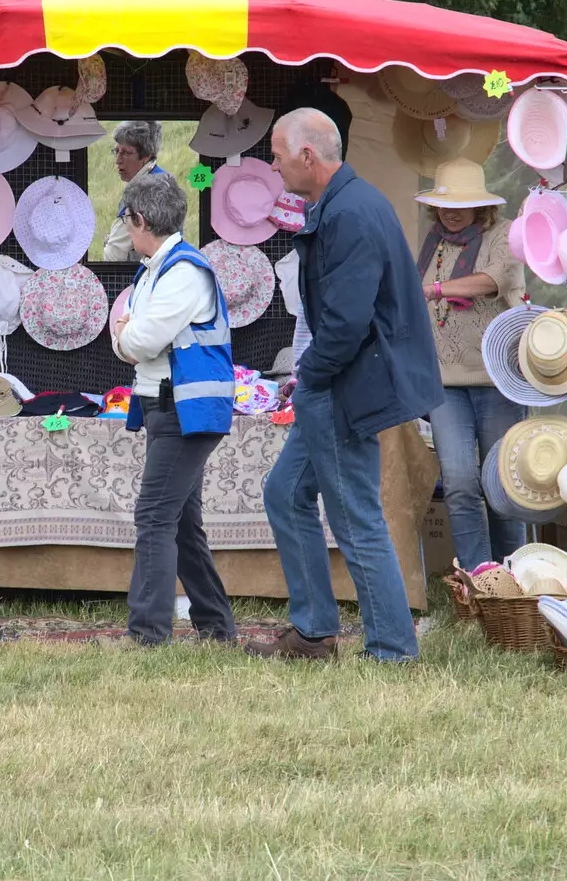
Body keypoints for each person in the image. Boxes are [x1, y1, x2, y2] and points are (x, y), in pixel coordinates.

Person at [247, 108, 443, 662]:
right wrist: (307, 375)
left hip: (341, 387)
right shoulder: (347, 204)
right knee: (284, 494)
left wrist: (309, 373)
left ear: (308, 156)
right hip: (333, 381)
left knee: (356, 518)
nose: (274, 163)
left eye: (279, 154)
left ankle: (391, 649)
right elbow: (342, 317)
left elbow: (347, 322)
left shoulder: (350, 213)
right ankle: (313, 634)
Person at [109, 169, 237, 645]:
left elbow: (138, 338)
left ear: (140, 220)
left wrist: (124, 333)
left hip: (184, 412)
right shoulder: (162, 270)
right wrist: (129, 335)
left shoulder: (182, 273)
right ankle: (217, 628)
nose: (126, 227)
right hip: (171, 409)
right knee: (181, 524)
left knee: (153, 517)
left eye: (126, 219)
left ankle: (147, 633)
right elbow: (135, 338)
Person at [414, 166, 527, 571]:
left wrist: (435, 289)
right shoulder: (435, 242)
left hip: (497, 379)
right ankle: (478, 579)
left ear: (481, 206)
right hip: (445, 382)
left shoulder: (506, 235)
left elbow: (494, 279)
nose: (452, 213)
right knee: (460, 483)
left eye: (461, 205)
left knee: (503, 485)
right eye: (445, 205)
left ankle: (514, 577)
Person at [101, 121, 168, 262]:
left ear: (146, 156)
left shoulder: (140, 191)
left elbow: (114, 256)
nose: (118, 160)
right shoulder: (165, 179)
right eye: (116, 151)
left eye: (126, 153)